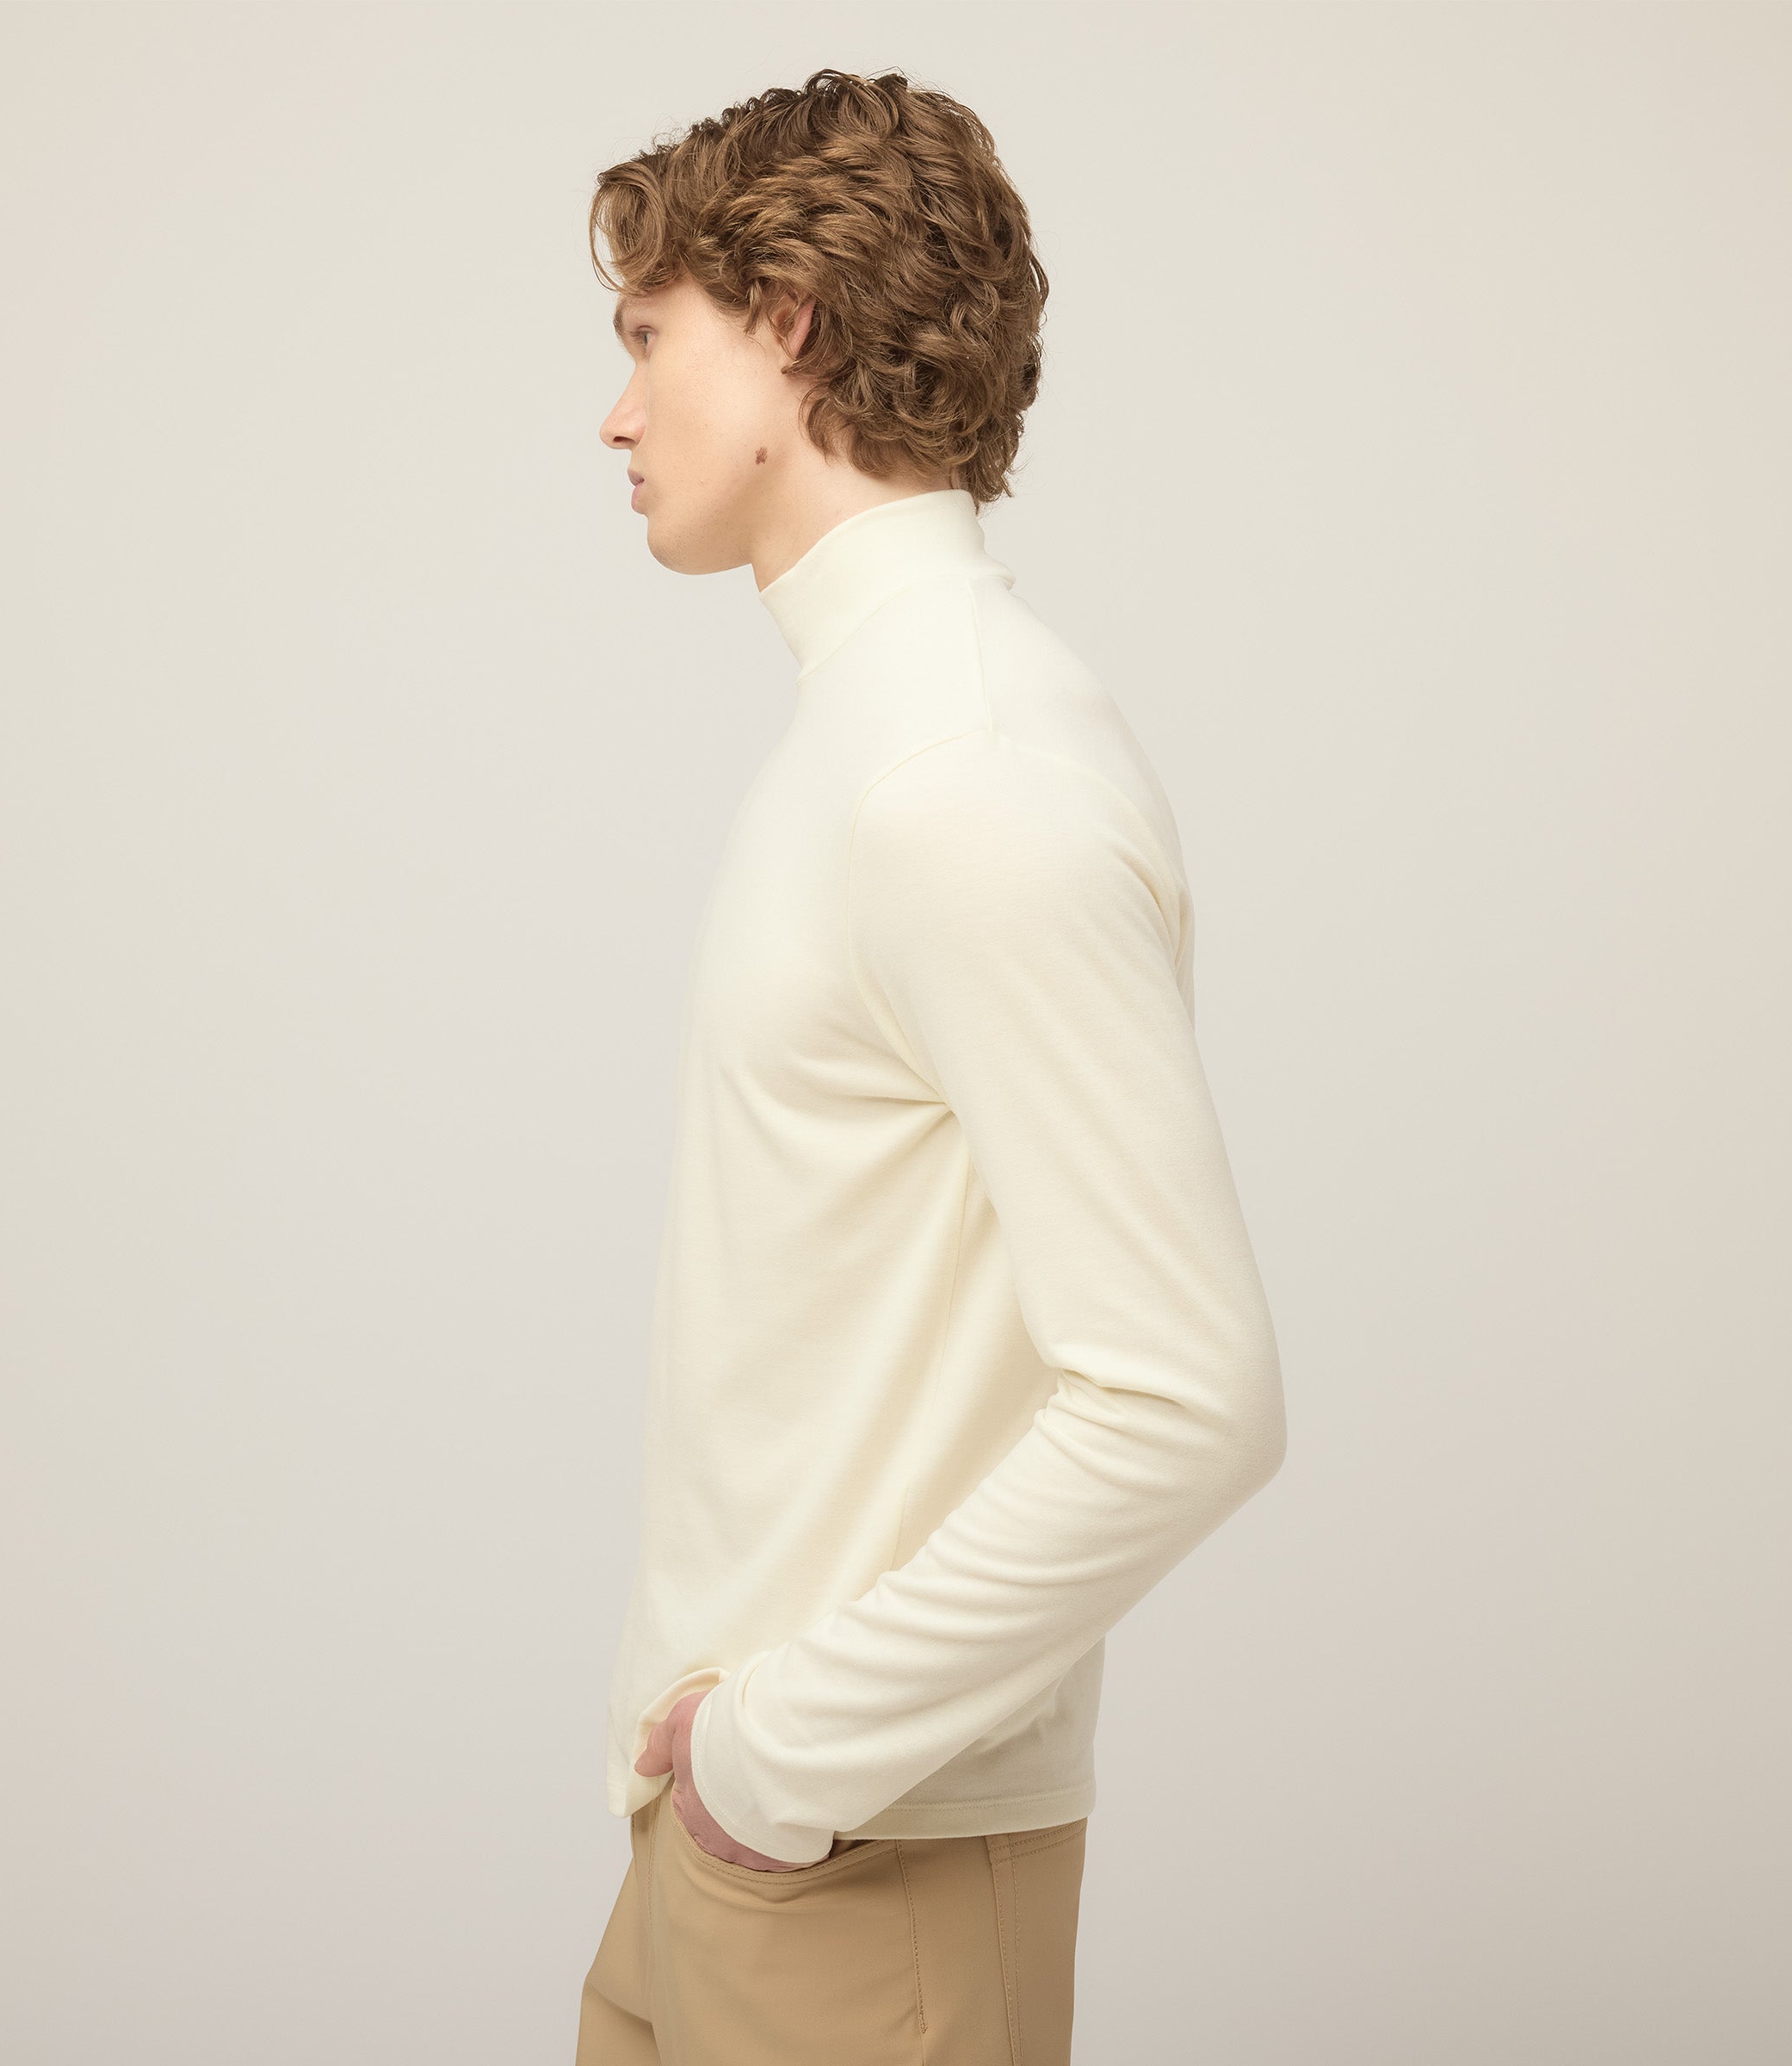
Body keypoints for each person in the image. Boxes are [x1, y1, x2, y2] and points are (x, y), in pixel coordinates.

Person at [575, 68, 1287, 2066]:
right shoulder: (881, 739)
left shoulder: (966, 775)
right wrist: (718, 1788)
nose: (615, 414)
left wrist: (780, 1758)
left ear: (789, 326)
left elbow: (1189, 1395)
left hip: (845, 1868)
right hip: (735, 1854)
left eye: (649, 338)